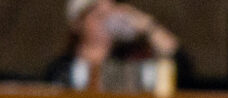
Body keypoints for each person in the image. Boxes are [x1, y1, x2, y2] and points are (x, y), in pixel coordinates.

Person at [47, 0, 188, 90]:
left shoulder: (131, 59)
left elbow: (181, 69)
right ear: (78, 23)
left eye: (110, 15)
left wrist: (148, 26)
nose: (105, 23)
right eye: (99, 16)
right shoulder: (61, 69)